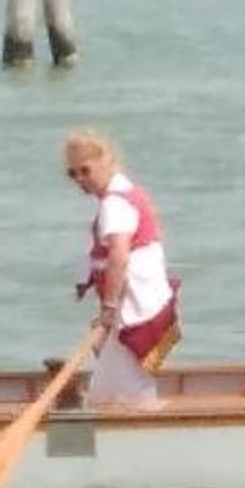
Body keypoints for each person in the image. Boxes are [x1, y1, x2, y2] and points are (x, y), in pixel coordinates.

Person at [63, 128, 178, 405]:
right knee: (104, 388)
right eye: (72, 173)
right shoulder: (123, 193)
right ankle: (93, 432)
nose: (80, 179)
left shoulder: (115, 204)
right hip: (137, 305)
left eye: (85, 170)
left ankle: (143, 428)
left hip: (134, 309)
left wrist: (109, 308)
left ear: (106, 162)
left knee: (132, 385)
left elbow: (119, 257)